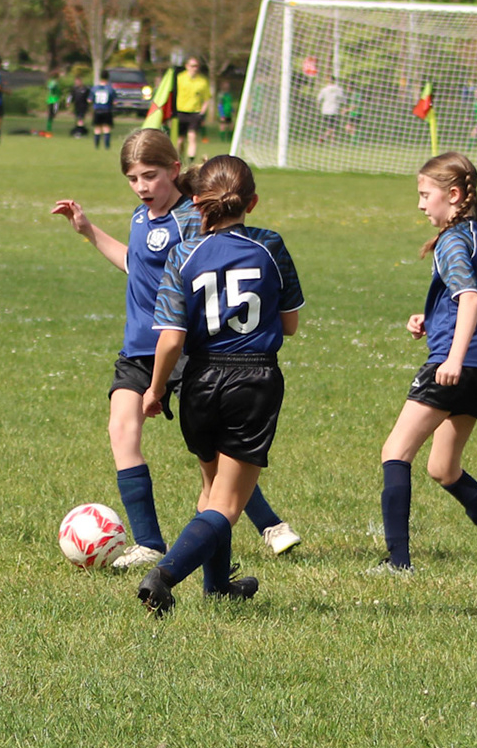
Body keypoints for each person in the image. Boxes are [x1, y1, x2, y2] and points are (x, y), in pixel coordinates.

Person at [53, 130, 301, 574]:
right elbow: (134, 264)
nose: (141, 187)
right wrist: (88, 231)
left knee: (216, 456)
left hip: (184, 348)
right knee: (121, 431)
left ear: (173, 170)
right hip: (139, 347)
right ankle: (149, 542)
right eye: (132, 178)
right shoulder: (141, 217)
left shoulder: (195, 218)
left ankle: (268, 523)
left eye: (149, 176)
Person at [133, 155, 303, 616]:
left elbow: (171, 339)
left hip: (199, 380)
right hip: (252, 379)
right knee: (226, 504)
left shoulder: (182, 254)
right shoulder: (269, 244)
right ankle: (164, 576)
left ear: (196, 202)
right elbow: (290, 325)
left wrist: (155, 389)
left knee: (210, 491)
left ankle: (218, 587)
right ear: (252, 201)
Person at [374, 153, 477, 574]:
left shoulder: (451, 240)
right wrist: (430, 318)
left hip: (459, 362)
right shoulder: (473, 233)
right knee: (443, 468)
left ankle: (398, 564)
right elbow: (466, 297)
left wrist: (452, 357)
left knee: (396, 451)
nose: (420, 204)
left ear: (453, 195)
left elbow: (470, 298)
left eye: (424, 195)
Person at [174, 58, 213, 164]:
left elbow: (207, 98)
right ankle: (179, 158)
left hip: (195, 113)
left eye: (196, 66)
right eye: (192, 66)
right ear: (187, 66)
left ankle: (190, 161)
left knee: (192, 137)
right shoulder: (180, 78)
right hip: (180, 111)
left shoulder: (202, 81)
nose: (194, 68)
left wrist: (202, 112)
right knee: (180, 140)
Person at [90, 74, 116, 150]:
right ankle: (107, 146)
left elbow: (89, 100)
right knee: (106, 128)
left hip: (97, 110)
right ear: (107, 79)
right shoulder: (110, 89)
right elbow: (115, 102)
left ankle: (96, 146)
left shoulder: (94, 89)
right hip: (106, 110)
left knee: (97, 128)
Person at [317, 77, 345, 144]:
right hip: (334, 109)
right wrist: (342, 107)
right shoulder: (338, 90)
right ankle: (325, 138)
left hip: (325, 110)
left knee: (329, 126)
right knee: (333, 127)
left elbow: (319, 99)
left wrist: (318, 106)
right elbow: (343, 99)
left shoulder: (324, 89)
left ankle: (331, 140)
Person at [69, 70, 93, 139]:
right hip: (76, 106)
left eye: (78, 81)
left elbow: (89, 97)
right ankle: (81, 131)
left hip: (83, 106)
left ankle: (79, 132)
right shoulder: (74, 89)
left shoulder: (85, 89)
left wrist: (90, 104)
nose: (76, 83)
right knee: (78, 119)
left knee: (80, 119)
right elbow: (71, 96)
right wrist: (69, 103)